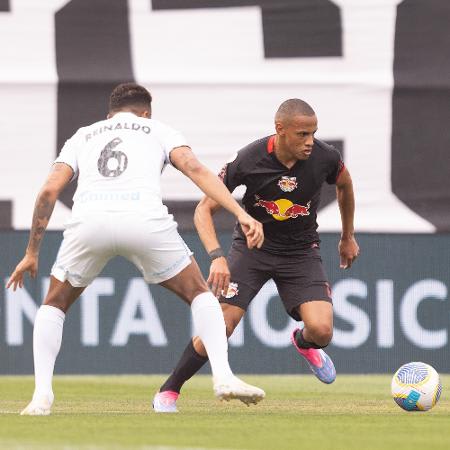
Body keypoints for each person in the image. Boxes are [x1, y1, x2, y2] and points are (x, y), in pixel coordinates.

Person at [6, 83, 266, 416]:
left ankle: (41, 397)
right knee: (200, 293)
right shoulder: (157, 129)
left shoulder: (83, 135)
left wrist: (31, 252)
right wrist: (240, 213)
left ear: (110, 113)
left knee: (54, 304)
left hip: (89, 222)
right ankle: (223, 376)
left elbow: (48, 192)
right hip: (144, 220)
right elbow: (196, 170)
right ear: (145, 112)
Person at [153, 98, 360, 413]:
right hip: (252, 250)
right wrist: (217, 257)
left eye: (313, 133)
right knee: (221, 325)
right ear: (280, 130)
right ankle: (169, 391)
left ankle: (304, 344)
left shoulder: (325, 157)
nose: (310, 142)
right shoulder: (248, 159)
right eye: (302, 134)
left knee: (322, 331)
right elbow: (203, 210)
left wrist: (348, 236)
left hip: (300, 252)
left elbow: (344, 185)